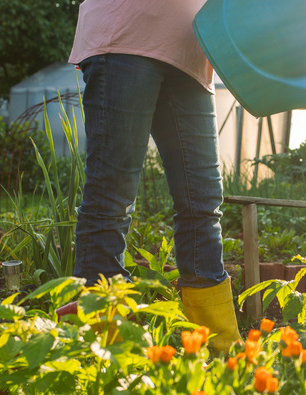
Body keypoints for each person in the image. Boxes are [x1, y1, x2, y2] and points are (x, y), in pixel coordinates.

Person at [68, 0, 241, 352]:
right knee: (111, 198)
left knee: (202, 204)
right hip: (126, 37)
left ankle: (219, 349)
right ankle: (104, 351)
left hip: (193, 54)